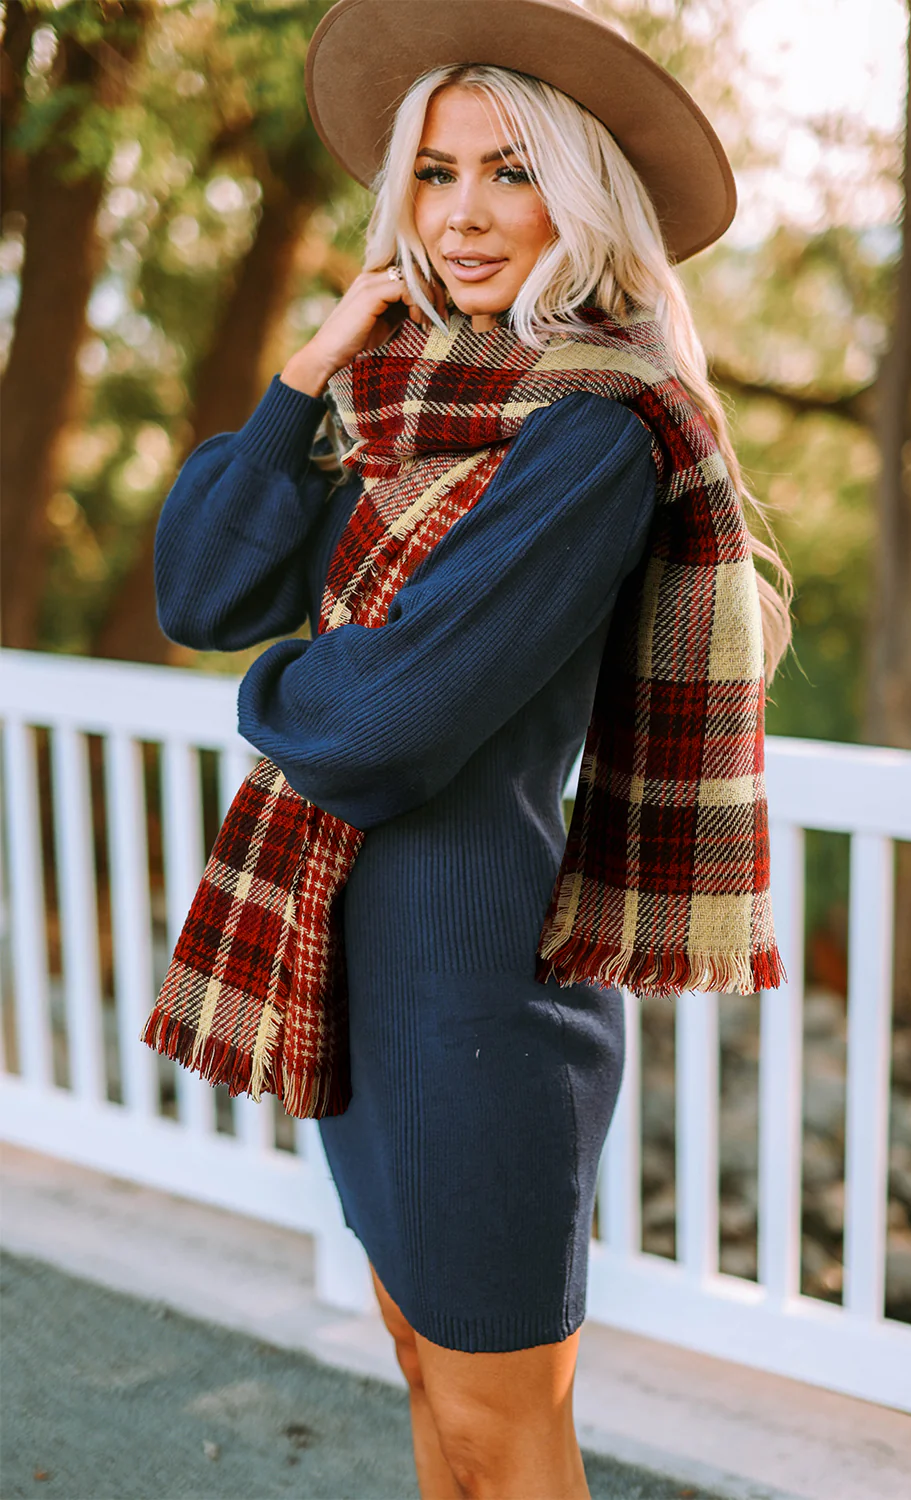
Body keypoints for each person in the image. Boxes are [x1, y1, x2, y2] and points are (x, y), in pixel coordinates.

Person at [151, 2, 792, 1495]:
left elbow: (387, 728)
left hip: (482, 995)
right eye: (435, 174)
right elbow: (204, 590)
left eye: (513, 171)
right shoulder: (402, 409)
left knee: (506, 1434)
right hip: (355, 984)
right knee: (428, 1388)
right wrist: (307, 367)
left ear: (583, 194)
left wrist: (281, 701)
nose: (466, 214)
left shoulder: (596, 430)